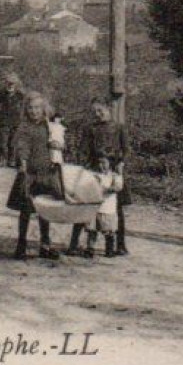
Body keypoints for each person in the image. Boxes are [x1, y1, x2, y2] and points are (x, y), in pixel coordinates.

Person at [67, 99, 132, 256]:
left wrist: (121, 162)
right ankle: (74, 244)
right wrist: (84, 165)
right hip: (94, 171)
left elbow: (126, 149)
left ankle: (120, 245)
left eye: (100, 111)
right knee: (85, 206)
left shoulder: (119, 127)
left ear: (108, 109)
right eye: (94, 112)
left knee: (116, 209)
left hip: (113, 171)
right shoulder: (90, 128)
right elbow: (83, 149)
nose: (97, 114)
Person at [6, 94, 62, 260]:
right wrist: (22, 163)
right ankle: (21, 245)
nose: (34, 111)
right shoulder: (24, 127)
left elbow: (57, 140)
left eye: (37, 108)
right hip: (29, 173)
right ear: (26, 110)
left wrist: (57, 145)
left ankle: (45, 245)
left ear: (43, 109)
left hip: (46, 172)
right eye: (30, 108)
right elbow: (21, 146)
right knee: (26, 210)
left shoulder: (49, 126)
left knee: (44, 209)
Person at [0, 74, 27, 167]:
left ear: (16, 85)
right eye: (8, 83)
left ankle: (11, 161)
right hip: (4, 122)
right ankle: (1, 160)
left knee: (12, 143)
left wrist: (21, 117)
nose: (10, 86)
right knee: (3, 142)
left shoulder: (20, 95)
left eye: (12, 84)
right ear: (6, 84)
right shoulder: (1, 93)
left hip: (15, 122)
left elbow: (25, 107)